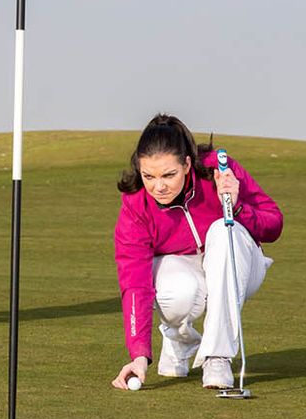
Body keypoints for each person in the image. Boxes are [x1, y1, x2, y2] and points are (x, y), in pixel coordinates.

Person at [111, 114, 283, 391]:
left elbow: (274, 225)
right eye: (149, 176)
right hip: (184, 269)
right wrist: (139, 355)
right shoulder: (135, 206)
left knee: (222, 231)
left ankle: (217, 356)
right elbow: (135, 282)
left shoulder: (219, 170)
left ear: (188, 164)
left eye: (169, 174)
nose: (159, 186)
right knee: (180, 291)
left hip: (240, 265)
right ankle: (180, 339)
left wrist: (237, 207)